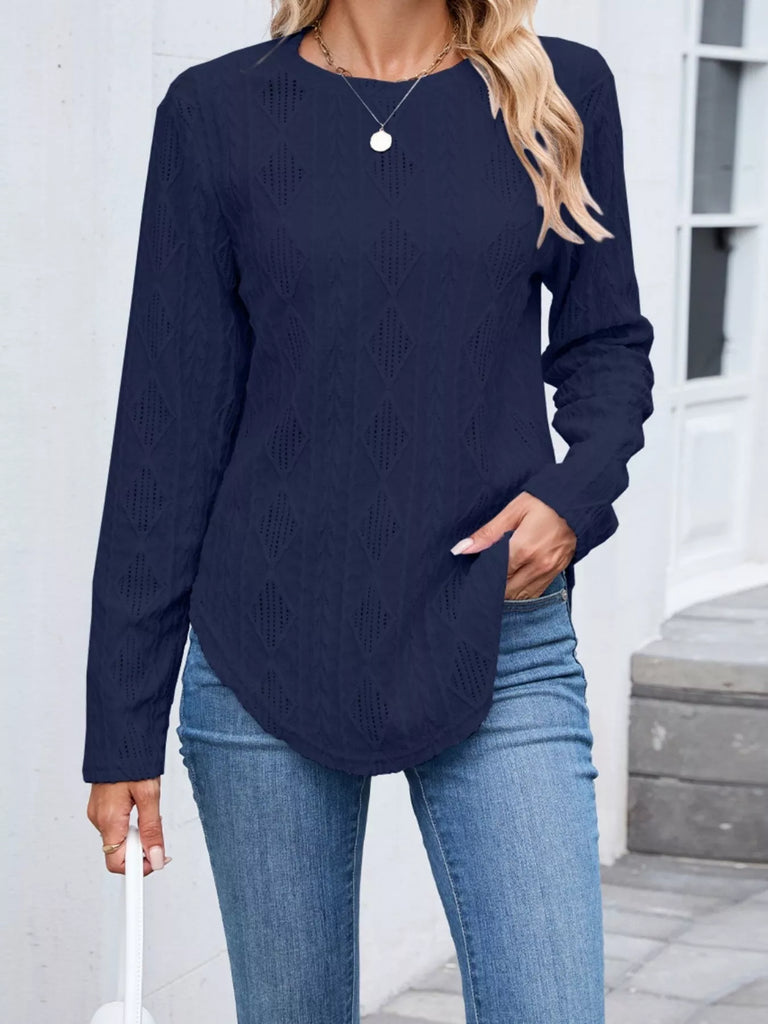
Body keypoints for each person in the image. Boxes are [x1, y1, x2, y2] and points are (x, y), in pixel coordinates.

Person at [84, 0, 655, 1020]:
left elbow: (606, 342)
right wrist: (122, 726)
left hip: (498, 629)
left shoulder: (556, 91)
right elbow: (166, 434)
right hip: (265, 644)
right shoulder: (216, 112)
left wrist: (574, 498)